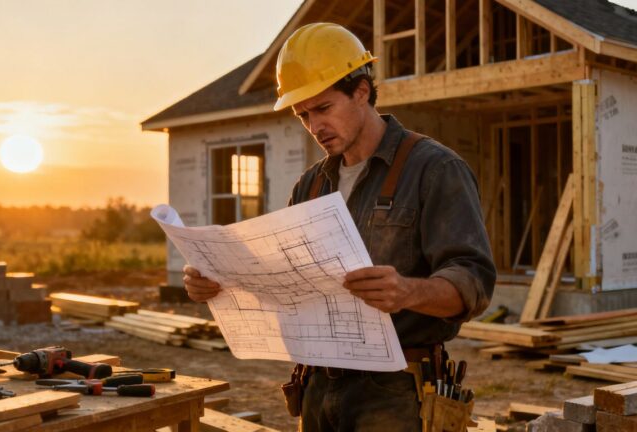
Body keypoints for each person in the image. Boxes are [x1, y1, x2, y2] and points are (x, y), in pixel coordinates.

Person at [183, 22, 496, 431]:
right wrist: (218, 283)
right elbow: (282, 280)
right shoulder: (310, 186)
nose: (314, 126)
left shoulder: (434, 170)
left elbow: (473, 283)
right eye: (303, 115)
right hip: (315, 385)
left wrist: (406, 291)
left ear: (361, 91)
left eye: (323, 108)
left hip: (396, 393)